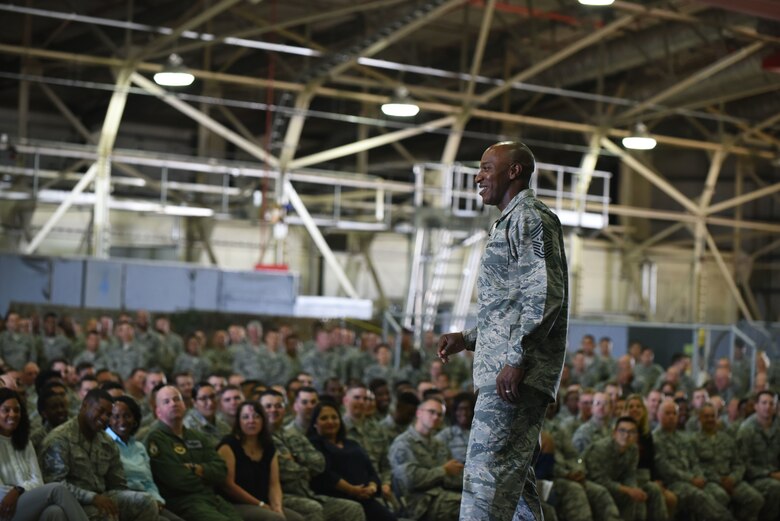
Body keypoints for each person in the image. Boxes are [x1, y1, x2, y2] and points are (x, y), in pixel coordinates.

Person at [438, 141, 569, 521]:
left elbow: (545, 295)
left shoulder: (530, 217)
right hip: (507, 374)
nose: (478, 176)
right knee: (515, 489)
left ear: (514, 171)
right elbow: (512, 308)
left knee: (485, 482)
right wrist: (468, 339)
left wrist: (517, 358)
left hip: (512, 380)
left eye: (485, 167)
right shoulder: (510, 221)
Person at [40, 388, 159, 521]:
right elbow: (55, 485)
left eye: (108, 414)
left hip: (103, 496)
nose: (104, 418)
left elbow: (118, 484)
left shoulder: (106, 440)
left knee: (146, 502)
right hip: (74, 503)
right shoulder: (59, 439)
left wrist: (117, 500)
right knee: (106, 515)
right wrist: (92, 497)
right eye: (100, 411)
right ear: (85, 405)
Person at [146, 384, 241, 521]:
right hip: (184, 502)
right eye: (166, 402)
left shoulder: (196, 436)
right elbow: (176, 480)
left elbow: (221, 470)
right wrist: (207, 478)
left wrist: (198, 469)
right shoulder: (156, 439)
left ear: (185, 405)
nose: (173, 404)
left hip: (212, 498)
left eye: (177, 399)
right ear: (158, 411)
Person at [0, 388, 89, 521]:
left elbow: (38, 481)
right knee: (57, 489)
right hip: (4, 510)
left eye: (16, 410)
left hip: (26, 503)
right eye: (6, 410)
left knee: (55, 512)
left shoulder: (24, 441)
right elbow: (1, 493)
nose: (12, 414)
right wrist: (18, 492)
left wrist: (18, 490)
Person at [306, 402, 397, 521]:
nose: (330, 421)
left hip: (364, 497)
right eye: (324, 418)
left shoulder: (351, 444)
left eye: (334, 417)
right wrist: (352, 490)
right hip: (337, 497)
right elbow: (325, 475)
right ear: (315, 423)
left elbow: (370, 469)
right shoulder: (313, 445)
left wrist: (372, 486)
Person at [216, 401, 303, 521]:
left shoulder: (268, 445)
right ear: (238, 422)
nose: (251, 421)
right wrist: (260, 505)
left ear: (263, 420)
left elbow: (274, 484)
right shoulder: (228, 445)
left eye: (257, 416)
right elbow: (228, 485)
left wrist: (277, 506)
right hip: (234, 504)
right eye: (245, 417)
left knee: (297, 519)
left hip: (262, 502)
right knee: (275, 519)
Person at [106, 396, 184, 521]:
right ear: (108, 420)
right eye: (115, 416)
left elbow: (148, 481)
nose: (122, 421)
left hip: (148, 500)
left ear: (135, 420)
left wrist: (157, 500)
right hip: (124, 501)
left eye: (127, 416)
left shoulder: (139, 447)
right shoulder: (105, 443)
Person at [388, 398, 462, 521]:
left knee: (480, 500)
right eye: (431, 412)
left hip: (441, 495)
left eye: (440, 414)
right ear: (419, 413)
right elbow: (411, 481)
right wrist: (443, 471)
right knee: (471, 507)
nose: (435, 417)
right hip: (418, 503)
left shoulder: (439, 444)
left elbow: (453, 475)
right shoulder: (403, 444)